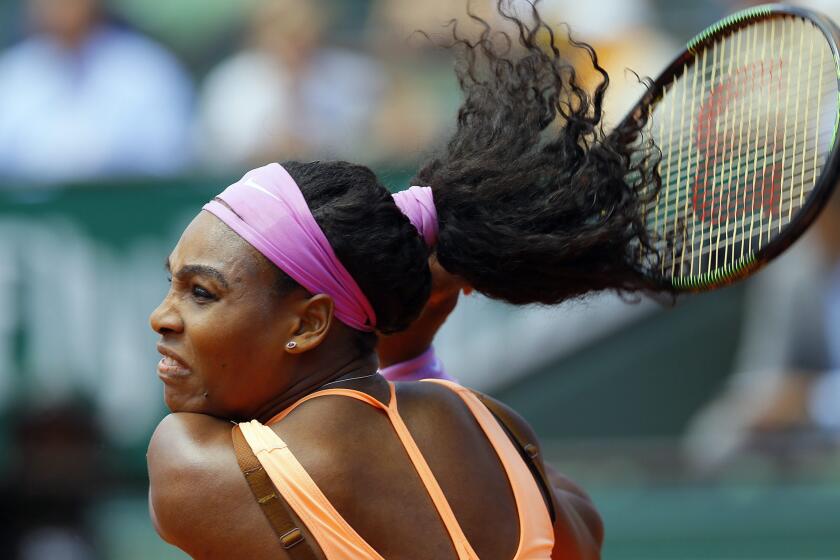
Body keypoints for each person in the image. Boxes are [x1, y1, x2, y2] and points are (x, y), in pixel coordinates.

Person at [146, 2, 662, 558]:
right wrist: (414, 362)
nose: (162, 316)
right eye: (174, 285)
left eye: (201, 293)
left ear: (310, 321)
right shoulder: (499, 435)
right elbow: (578, 535)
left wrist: (406, 353)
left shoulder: (192, 466)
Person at [0, 0, 193, 184]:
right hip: (31, 215)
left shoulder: (147, 69)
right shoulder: (12, 73)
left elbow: (169, 159)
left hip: (125, 208)